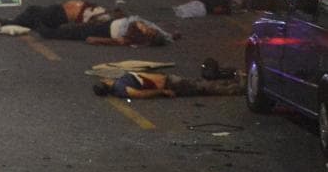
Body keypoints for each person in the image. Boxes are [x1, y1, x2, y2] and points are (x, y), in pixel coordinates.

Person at [0, 0, 113, 33]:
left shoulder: (98, 18)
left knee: (32, 13)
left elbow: (85, 24)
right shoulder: (98, 9)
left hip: (59, 16)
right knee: (31, 16)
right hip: (58, 10)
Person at [39, 15, 175, 46]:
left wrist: (98, 40)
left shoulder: (137, 36)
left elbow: (121, 40)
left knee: (77, 31)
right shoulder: (149, 30)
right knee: (79, 27)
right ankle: (52, 28)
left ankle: (49, 32)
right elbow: (164, 34)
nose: (150, 29)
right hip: (110, 24)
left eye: (151, 32)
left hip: (106, 31)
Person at [92, 71, 243, 99]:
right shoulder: (119, 88)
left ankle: (236, 84)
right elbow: (139, 94)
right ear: (105, 83)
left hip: (168, 80)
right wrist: (162, 91)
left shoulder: (119, 83)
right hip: (169, 84)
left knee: (202, 84)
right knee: (204, 87)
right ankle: (239, 89)